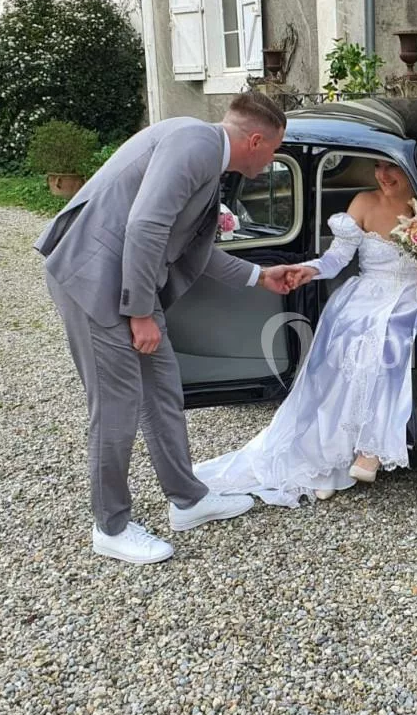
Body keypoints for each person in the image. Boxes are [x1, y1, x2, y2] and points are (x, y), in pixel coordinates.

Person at [35, 92, 304, 565]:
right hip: (93, 279)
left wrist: (259, 276)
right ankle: (110, 526)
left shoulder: (205, 151)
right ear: (256, 141)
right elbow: (145, 227)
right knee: (116, 405)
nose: (272, 161)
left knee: (162, 391)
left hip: (127, 284)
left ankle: (188, 499)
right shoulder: (195, 143)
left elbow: (188, 248)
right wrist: (140, 313)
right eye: (274, 150)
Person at [192, 161, 417, 506]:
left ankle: (370, 448)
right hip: (367, 296)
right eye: (377, 166)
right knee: (357, 340)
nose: (382, 175)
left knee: (396, 335)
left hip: (415, 297)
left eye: (391, 168)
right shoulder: (364, 203)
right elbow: (336, 258)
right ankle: (326, 462)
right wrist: (310, 269)